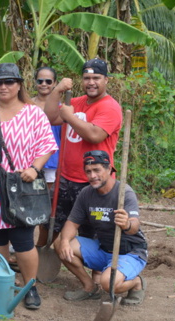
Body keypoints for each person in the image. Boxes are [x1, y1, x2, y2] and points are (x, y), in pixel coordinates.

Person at [0, 63, 58, 310]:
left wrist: (35, 168)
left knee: (23, 240)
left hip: (20, 188)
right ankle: (3, 285)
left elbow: (47, 145)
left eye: (9, 82)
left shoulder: (33, 114)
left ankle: (30, 287)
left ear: (19, 85)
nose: (3, 87)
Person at [44, 58, 122, 243]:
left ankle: (95, 269)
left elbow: (95, 135)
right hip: (65, 177)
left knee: (93, 232)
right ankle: (42, 256)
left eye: (96, 77)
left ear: (106, 80)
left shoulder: (110, 107)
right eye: (86, 78)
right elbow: (49, 116)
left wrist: (69, 117)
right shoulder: (76, 102)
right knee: (50, 224)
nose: (91, 82)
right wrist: (57, 91)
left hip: (94, 181)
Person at [55, 150, 147, 305]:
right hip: (103, 249)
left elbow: (134, 227)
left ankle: (136, 283)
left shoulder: (124, 192)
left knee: (108, 284)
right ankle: (90, 287)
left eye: (97, 170)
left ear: (109, 169)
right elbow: (72, 222)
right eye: (88, 171)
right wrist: (64, 241)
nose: (92, 176)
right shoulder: (86, 193)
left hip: (130, 252)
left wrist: (126, 224)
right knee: (60, 243)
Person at [32, 66, 60, 250]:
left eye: (48, 81)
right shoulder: (27, 104)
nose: (44, 84)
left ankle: (41, 244)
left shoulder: (60, 106)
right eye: (40, 80)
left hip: (52, 163)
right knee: (28, 200)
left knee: (46, 203)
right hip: (30, 163)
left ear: (55, 84)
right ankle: (24, 241)